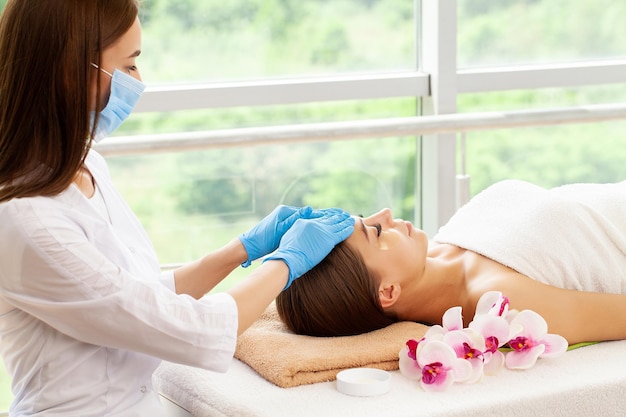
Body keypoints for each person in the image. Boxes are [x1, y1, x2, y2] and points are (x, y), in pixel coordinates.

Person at [0, 1, 354, 416]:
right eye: (129, 66)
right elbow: (187, 330)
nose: (139, 81)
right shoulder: (25, 218)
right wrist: (286, 262)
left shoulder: (84, 164)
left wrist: (240, 249)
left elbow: (138, 295)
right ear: (70, 70)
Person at [276, 179, 626, 345]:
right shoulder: (501, 303)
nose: (386, 214)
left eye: (369, 218)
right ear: (388, 291)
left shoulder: (446, 242)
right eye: (376, 232)